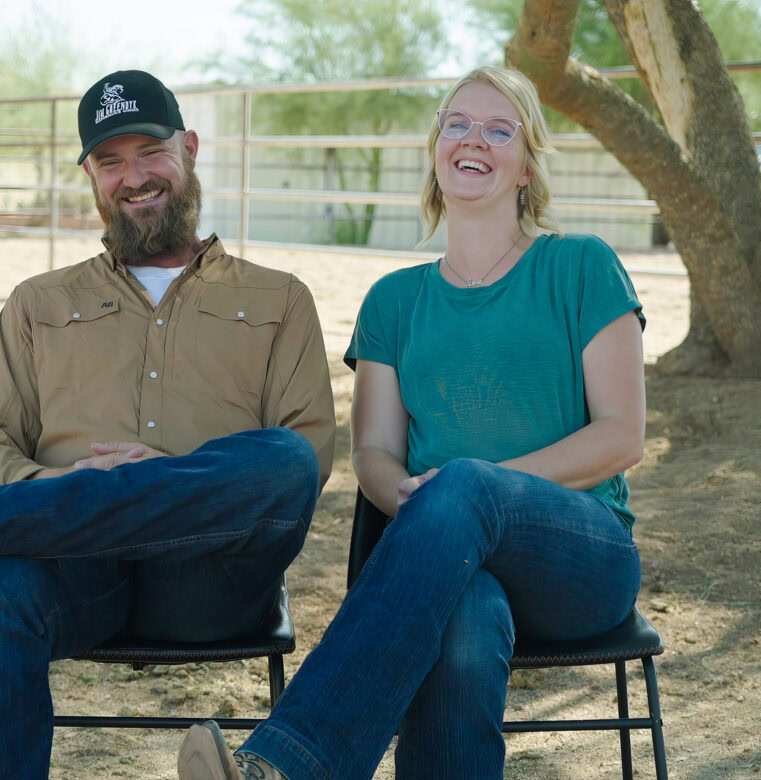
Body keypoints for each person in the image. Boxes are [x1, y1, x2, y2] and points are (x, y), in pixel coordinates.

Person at [0, 69, 335, 778]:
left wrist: (168, 479)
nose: (133, 177)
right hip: (72, 568)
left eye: (149, 151)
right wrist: (69, 485)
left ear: (191, 148)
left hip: (210, 577)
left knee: (284, 461)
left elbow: (306, 460)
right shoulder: (37, 304)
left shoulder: (280, 298)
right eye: (109, 161)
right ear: (90, 174)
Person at [177, 65, 645, 780]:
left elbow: (622, 437)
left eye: (499, 128)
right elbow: (374, 452)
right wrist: (408, 495)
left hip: (580, 557)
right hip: (443, 558)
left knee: (464, 489)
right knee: (464, 613)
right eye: (456, 123)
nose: (473, 138)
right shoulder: (393, 301)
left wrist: (469, 488)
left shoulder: (581, 267)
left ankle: (295, 762)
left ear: (526, 165)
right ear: (436, 150)